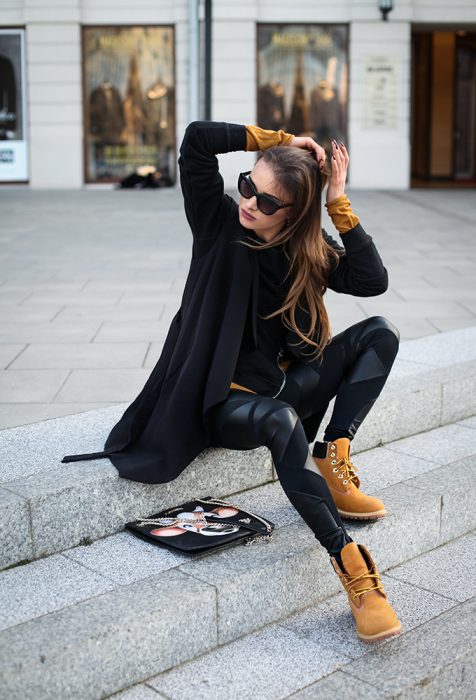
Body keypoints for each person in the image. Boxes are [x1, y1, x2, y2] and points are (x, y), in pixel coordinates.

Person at [62, 120, 401, 643]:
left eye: (268, 203)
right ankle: (355, 571)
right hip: (228, 402)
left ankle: (333, 456)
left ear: (292, 215)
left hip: (284, 386)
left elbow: (372, 281)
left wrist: (338, 199)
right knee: (283, 420)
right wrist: (277, 141)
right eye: (248, 185)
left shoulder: (307, 249)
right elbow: (197, 140)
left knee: (380, 335)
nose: (250, 203)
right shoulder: (218, 225)